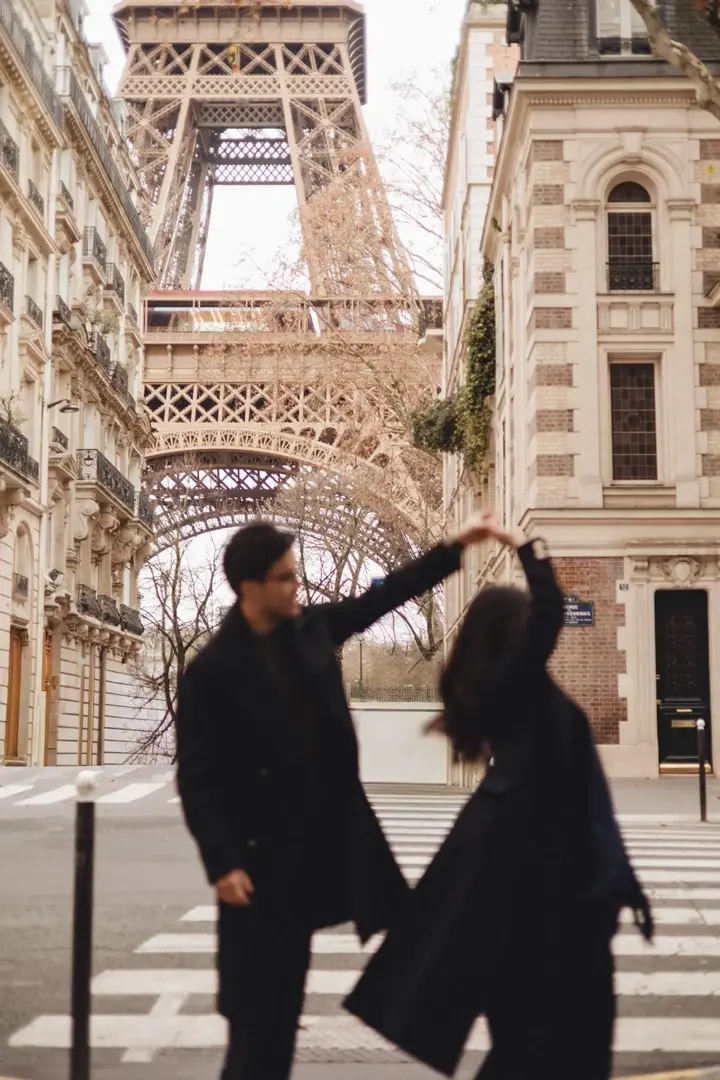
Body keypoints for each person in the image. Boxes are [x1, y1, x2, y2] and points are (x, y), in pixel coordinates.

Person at [175, 515, 491, 1080]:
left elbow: (383, 595)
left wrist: (452, 549)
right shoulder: (211, 672)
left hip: (318, 853)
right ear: (250, 586)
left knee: (284, 1007)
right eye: (285, 578)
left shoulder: (311, 628)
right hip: (255, 862)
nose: (298, 586)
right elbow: (197, 778)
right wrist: (221, 862)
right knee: (255, 1017)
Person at [345, 515, 653, 1080]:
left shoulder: (513, 696)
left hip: (527, 899)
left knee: (532, 1047)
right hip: (550, 905)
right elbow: (551, 615)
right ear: (515, 640)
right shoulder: (520, 690)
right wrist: (524, 547)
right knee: (558, 1048)